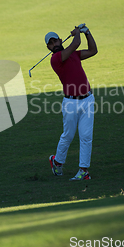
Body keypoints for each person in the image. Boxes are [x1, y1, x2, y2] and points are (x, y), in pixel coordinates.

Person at [45, 25, 98, 181]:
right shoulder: (55, 58)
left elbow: (93, 50)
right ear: (48, 47)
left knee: (86, 136)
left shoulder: (73, 55)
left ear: (60, 40)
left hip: (87, 100)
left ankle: (84, 171)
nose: (54, 44)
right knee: (68, 135)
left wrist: (87, 32)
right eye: (51, 43)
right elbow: (75, 44)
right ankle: (57, 162)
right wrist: (77, 33)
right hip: (70, 103)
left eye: (55, 41)